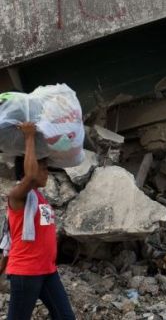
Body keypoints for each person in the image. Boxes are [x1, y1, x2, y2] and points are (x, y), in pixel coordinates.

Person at [5, 122, 75, 319]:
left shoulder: (39, 198)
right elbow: (30, 176)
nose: (46, 173)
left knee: (65, 317)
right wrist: (29, 136)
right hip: (26, 272)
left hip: (47, 270)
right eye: (43, 168)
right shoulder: (17, 196)